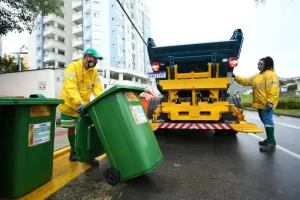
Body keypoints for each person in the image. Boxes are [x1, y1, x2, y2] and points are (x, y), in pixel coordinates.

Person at [58, 48, 103, 164]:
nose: (96, 62)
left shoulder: (93, 72)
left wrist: (101, 100)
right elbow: (71, 87)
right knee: (71, 129)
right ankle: (73, 152)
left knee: (86, 130)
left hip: (84, 106)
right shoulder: (73, 67)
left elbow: (97, 88)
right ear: (87, 57)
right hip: (70, 105)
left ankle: (87, 155)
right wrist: (79, 103)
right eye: (95, 59)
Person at [232, 56, 280, 152]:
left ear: (267, 64)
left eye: (261, 64)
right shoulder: (257, 76)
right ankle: (270, 140)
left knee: (268, 122)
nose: (258, 65)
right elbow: (245, 81)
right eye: (258, 64)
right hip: (260, 104)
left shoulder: (271, 75)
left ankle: (270, 144)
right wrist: (235, 77)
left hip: (267, 104)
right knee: (266, 122)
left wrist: (270, 102)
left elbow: (273, 90)